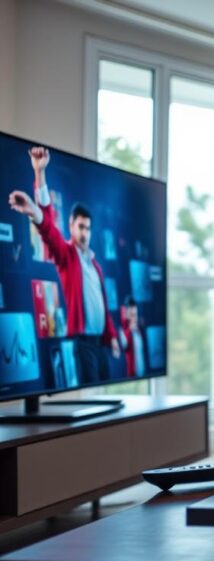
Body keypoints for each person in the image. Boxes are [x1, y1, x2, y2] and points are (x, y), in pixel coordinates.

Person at [8, 147, 121, 384]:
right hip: (83, 343)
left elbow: (104, 305)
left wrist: (111, 336)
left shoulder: (96, 265)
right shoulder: (67, 256)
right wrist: (40, 175)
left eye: (88, 228)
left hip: (101, 344)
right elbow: (48, 228)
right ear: (71, 226)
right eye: (81, 227)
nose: (85, 233)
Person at [119, 296, 146, 377]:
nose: (134, 318)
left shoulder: (139, 330)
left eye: (135, 315)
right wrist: (130, 330)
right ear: (126, 314)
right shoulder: (123, 331)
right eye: (131, 315)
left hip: (142, 373)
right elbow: (124, 345)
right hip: (131, 375)